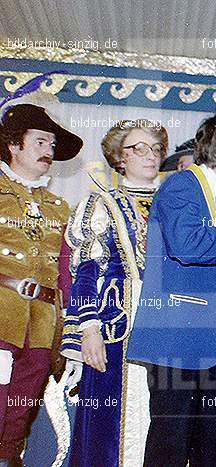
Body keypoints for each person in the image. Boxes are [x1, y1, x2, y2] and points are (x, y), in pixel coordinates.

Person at [127, 109, 216, 466]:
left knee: (214, 445)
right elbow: (186, 246)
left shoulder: (215, 197)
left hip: (207, 337)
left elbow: (198, 268)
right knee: (172, 442)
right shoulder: (183, 185)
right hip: (178, 336)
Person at [59, 120, 167, 466]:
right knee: (110, 424)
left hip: (168, 324)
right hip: (116, 326)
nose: (150, 155)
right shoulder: (103, 204)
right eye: (140, 148)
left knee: (164, 425)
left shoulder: (175, 204)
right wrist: (87, 329)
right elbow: (86, 272)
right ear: (120, 157)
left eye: (155, 149)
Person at [0, 101, 82, 467]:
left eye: (52, 145)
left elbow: (67, 273)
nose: (49, 151)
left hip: (43, 326)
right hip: (2, 319)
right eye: (40, 142)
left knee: (20, 415)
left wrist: (69, 328)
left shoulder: (62, 209)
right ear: (14, 144)